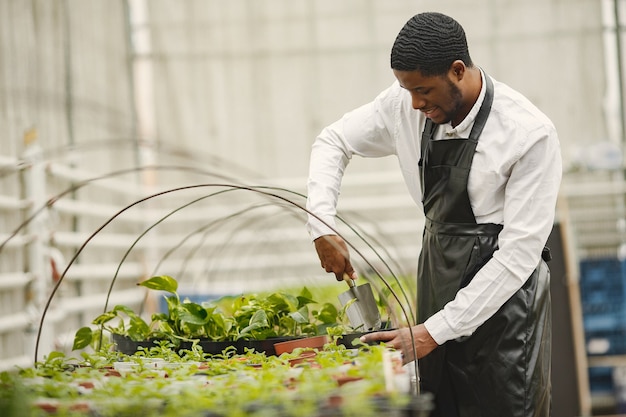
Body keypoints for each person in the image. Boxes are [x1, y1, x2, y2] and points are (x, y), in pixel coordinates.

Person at [305, 11, 561, 417]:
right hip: (438, 279)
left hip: (504, 310)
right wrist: (321, 225)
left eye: (423, 90)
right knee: (440, 406)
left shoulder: (528, 133)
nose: (415, 103)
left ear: (457, 71)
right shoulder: (405, 106)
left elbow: (518, 256)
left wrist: (432, 332)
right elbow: (332, 140)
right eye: (406, 89)